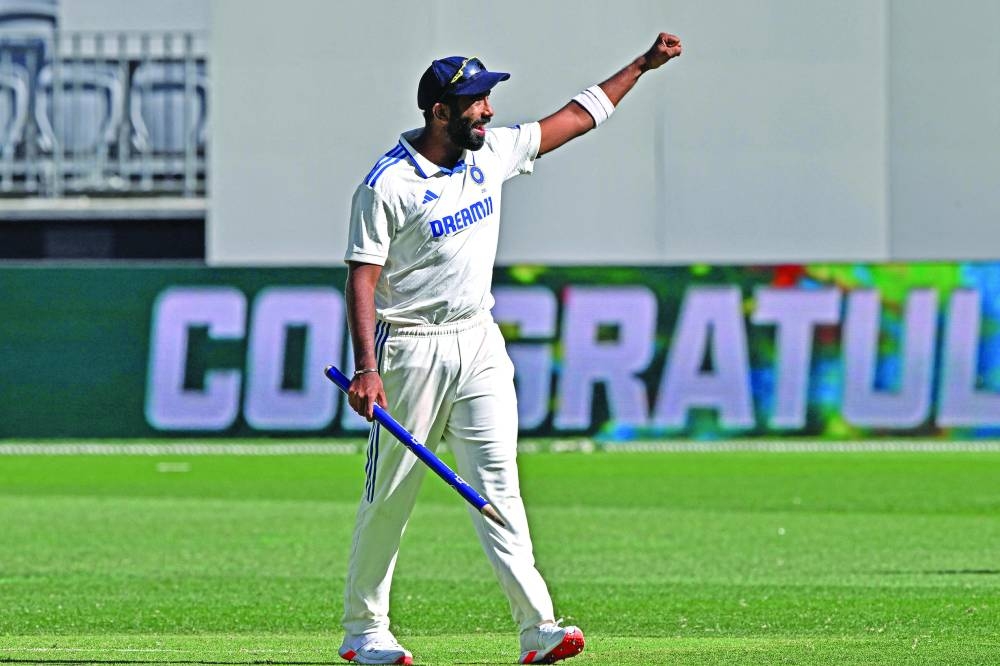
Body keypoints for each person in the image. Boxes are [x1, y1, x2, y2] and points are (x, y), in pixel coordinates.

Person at [340, 32, 683, 665]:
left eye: (488, 98)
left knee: (499, 485)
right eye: (475, 102)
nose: (489, 110)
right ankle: (364, 632)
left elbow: (576, 118)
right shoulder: (388, 184)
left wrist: (642, 65)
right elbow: (362, 274)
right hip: (409, 349)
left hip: (479, 340)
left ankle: (538, 627)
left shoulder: (489, 153)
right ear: (440, 112)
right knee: (391, 494)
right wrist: (367, 369)